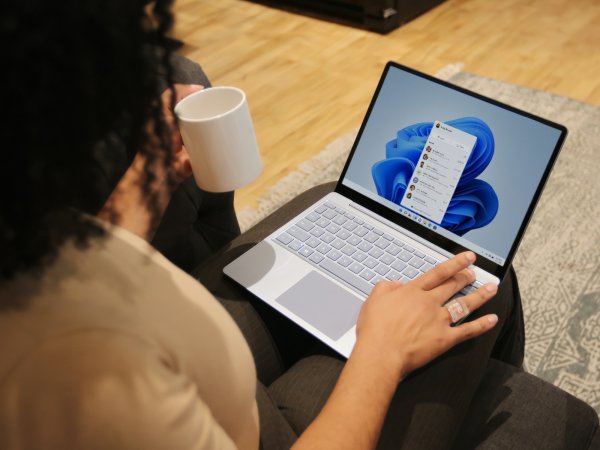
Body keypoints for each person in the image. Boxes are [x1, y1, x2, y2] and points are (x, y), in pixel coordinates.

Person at [0, 1, 524, 449]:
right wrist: (380, 354)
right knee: (482, 281)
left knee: (331, 200)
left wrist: (148, 176)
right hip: (262, 430)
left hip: (190, 355)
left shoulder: (33, 249)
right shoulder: (73, 366)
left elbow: (85, 266)